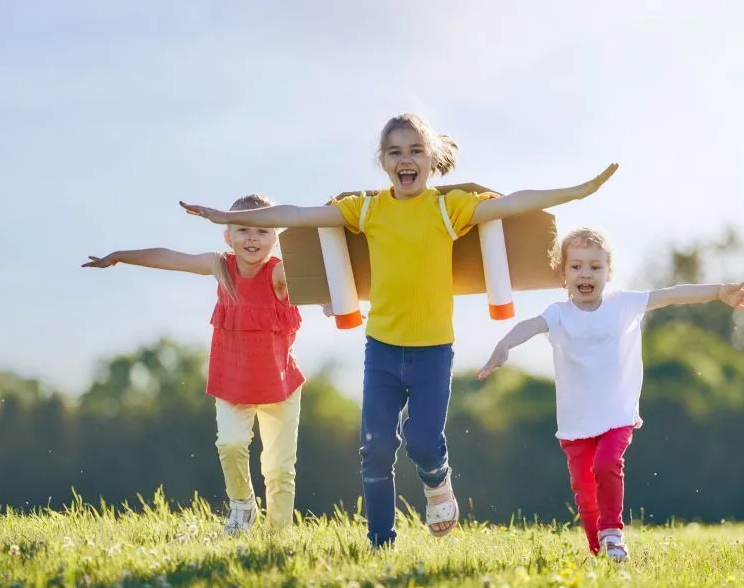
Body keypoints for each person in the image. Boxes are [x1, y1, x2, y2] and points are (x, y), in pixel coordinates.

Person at [181, 113, 618, 548]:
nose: (405, 160)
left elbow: (511, 203)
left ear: (430, 160)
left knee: (424, 441)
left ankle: (437, 482)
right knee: (375, 447)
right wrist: (223, 214)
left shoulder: (448, 208)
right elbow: (297, 214)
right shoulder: (368, 209)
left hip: (432, 350)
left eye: (415, 151)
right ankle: (380, 542)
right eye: (395, 152)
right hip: (383, 349)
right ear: (384, 161)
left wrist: (580, 191)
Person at [477, 227, 744, 560]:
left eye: (595, 267)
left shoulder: (624, 304)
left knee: (607, 463)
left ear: (608, 273)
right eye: (577, 266)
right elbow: (528, 326)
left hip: (617, 415)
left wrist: (718, 292)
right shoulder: (558, 314)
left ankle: (613, 534)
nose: (586, 274)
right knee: (585, 492)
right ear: (562, 273)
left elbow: (671, 294)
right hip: (575, 423)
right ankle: (600, 550)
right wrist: (504, 344)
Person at [83, 194, 307, 535]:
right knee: (230, 444)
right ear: (227, 235)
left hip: (279, 384)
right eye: (243, 229)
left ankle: (278, 535)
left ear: (274, 238)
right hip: (233, 382)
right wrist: (120, 257)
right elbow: (169, 257)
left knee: (278, 468)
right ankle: (242, 506)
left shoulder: (278, 274)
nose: (252, 238)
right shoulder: (221, 267)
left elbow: (315, 278)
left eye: (262, 231)